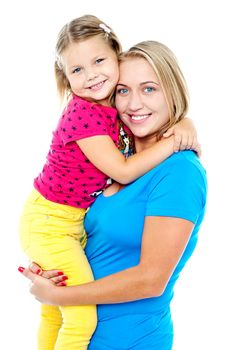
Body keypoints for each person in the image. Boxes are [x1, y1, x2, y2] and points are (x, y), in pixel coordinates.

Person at [18, 15, 199, 350]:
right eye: (123, 91)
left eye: (149, 89)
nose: (133, 104)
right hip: (81, 336)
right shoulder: (118, 147)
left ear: (171, 91)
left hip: (129, 340)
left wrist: (61, 294)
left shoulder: (179, 172)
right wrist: (52, 268)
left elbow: (150, 280)